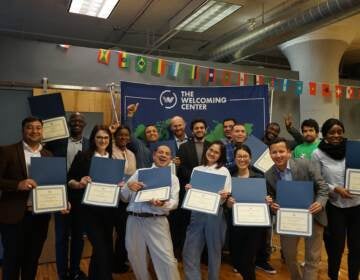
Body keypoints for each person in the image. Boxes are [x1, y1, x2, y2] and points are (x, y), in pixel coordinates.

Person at [266, 137, 329, 280]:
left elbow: (323, 188)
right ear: (270, 154)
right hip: (288, 221)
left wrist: (320, 202)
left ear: (289, 152)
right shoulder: (268, 174)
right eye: (274, 152)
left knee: (312, 258)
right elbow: (270, 197)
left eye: (281, 151)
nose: (278, 155)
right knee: (289, 256)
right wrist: (273, 205)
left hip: (313, 216)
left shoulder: (306, 164)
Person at [0, 116, 52, 280]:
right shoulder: (7, 151)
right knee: (12, 261)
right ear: (23, 130)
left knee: (32, 261)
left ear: (42, 131)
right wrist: (17, 185)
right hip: (14, 217)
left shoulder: (48, 155)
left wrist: (62, 202)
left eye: (38, 128)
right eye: (30, 127)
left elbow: (53, 185)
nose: (34, 131)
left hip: (39, 217)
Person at [120, 145, 181, 280]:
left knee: (166, 259)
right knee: (134, 256)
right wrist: (128, 187)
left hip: (157, 220)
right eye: (160, 152)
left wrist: (163, 203)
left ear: (170, 159)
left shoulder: (173, 179)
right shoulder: (140, 172)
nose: (163, 155)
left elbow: (174, 203)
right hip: (134, 219)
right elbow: (124, 197)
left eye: (167, 153)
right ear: (154, 155)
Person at [312, 118, 360, 280]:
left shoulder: (353, 148)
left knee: (356, 248)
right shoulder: (318, 153)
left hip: (357, 206)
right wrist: (335, 189)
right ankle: (333, 276)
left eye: (339, 132)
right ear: (325, 134)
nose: (336, 135)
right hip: (335, 207)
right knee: (335, 248)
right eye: (332, 132)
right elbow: (316, 180)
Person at [67, 125, 115, 280]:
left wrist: (118, 184)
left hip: (107, 211)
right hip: (88, 211)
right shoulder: (83, 156)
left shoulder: (113, 159)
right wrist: (80, 183)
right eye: (99, 137)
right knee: (100, 248)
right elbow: (69, 180)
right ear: (94, 139)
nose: (103, 140)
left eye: (106, 137)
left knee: (105, 248)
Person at [46, 112, 89, 280]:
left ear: (84, 125)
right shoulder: (56, 143)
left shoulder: (89, 144)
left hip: (82, 196)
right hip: (60, 194)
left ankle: (75, 271)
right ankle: (62, 274)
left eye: (80, 120)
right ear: (68, 124)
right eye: (73, 120)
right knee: (61, 237)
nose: (76, 123)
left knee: (79, 236)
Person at [182, 141, 231, 280]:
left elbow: (226, 193)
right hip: (196, 213)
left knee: (214, 251)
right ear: (206, 150)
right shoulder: (197, 169)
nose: (212, 153)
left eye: (216, 152)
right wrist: (189, 190)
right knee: (190, 250)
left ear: (220, 156)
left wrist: (224, 195)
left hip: (214, 214)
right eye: (211, 150)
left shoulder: (223, 171)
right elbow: (193, 193)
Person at [171, 119, 210, 257]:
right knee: (185, 222)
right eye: (196, 128)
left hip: (208, 191)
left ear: (206, 129)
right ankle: (182, 252)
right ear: (192, 130)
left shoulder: (212, 146)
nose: (199, 130)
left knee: (205, 222)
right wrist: (195, 180)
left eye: (201, 127)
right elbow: (181, 168)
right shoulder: (184, 147)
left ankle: (204, 254)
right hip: (188, 188)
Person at [226, 145, 266, 280]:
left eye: (245, 156)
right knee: (236, 260)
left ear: (250, 158)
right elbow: (223, 203)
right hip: (235, 226)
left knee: (247, 260)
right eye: (239, 156)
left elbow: (267, 201)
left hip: (254, 227)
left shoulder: (259, 177)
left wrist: (267, 200)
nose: (242, 159)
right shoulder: (229, 177)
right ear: (234, 158)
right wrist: (228, 204)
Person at [110, 124, 136, 273]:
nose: (123, 137)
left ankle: (119, 261)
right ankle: (110, 262)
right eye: (120, 135)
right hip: (111, 196)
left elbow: (134, 175)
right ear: (115, 136)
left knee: (123, 232)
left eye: (126, 135)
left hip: (126, 198)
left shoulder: (132, 154)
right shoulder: (110, 151)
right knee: (110, 232)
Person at [125, 103, 159, 168]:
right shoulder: (139, 145)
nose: (152, 133)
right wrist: (130, 114)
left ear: (158, 134)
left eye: (154, 131)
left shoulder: (164, 148)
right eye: (148, 132)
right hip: (142, 177)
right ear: (145, 136)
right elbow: (129, 134)